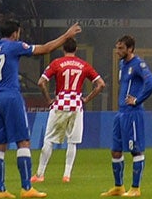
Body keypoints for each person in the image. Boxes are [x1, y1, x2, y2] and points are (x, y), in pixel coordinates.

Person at [0, 17, 81, 199]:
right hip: (10, 96)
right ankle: (26, 188)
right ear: (15, 33)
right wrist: (66, 36)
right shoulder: (14, 46)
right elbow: (45, 49)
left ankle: (0, 190)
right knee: (23, 141)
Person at [36, 35, 103, 185]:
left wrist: (48, 100)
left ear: (62, 48)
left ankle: (40, 174)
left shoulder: (56, 63)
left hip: (60, 104)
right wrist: (86, 99)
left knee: (49, 140)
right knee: (72, 142)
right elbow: (101, 84)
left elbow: (41, 82)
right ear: (76, 49)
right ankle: (66, 175)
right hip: (76, 106)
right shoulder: (84, 64)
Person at [103, 34, 152, 197]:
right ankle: (119, 187)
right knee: (115, 150)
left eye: (121, 48)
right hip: (121, 113)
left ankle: (135, 188)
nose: (117, 51)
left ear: (130, 49)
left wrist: (137, 100)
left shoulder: (138, 64)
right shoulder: (122, 64)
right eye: (117, 47)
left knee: (136, 150)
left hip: (133, 113)